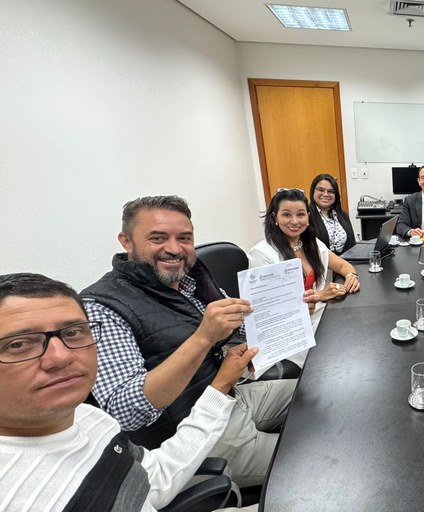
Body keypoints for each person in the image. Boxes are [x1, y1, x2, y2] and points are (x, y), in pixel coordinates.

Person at [81, 195, 296, 488]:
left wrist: (288, 309)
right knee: (315, 454)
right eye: (158, 238)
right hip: (192, 433)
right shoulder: (101, 307)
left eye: (184, 238)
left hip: (229, 397)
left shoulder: (189, 280)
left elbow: (239, 329)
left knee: (316, 395)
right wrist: (204, 337)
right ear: (126, 241)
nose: (174, 249)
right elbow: (126, 412)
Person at [0, 273, 253, 511]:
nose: (61, 356)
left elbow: (153, 480)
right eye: (19, 344)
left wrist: (220, 386)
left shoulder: (89, 417)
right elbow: (131, 412)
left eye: (73, 332)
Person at [248, 188, 360, 329]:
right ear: (275, 217)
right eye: (286, 215)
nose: (295, 221)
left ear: (308, 217)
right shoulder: (262, 254)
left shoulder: (312, 244)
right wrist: (320, 295)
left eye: (300, 214)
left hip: (318, 317)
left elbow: (343, 266)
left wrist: (351, 276)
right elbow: (268, 310)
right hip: (291, 329)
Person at [309, 173, 356, 255]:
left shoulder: (342, 215)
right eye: (321, 190)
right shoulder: (306, 217)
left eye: (330, 191)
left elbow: (352, 243)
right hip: (321, 261)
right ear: (313, 191)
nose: (325, 194)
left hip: (346, 260)